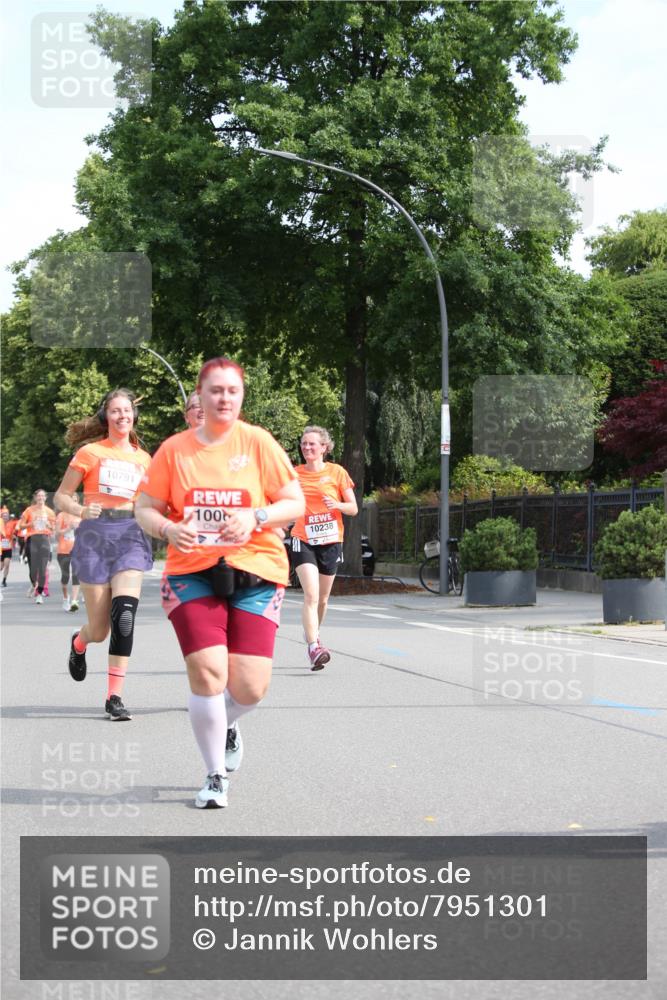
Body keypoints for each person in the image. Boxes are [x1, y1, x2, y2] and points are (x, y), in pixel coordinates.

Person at [135, 357, 304, 809]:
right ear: (201, 395)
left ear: (241, 396)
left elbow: (294, 501)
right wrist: (168, 530)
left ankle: (224, 721)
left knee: (250, 688)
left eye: (232, 390)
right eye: (215, 390)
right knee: (209, 674)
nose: (224, 398)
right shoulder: (174, 450)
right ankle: (214, 776)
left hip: (258, 570)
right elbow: (145, 507)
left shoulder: (259, 444)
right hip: (191, 572)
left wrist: (256, 515)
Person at [53, 389, 152, 721]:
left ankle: (114, 697)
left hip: (130, 537)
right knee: (100, 630)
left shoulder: (143, 459)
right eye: (115, 411)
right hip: (95, 537)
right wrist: (81, 510)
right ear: (105, 417)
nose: (122, 415)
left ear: (133, 417)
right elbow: (61, 497)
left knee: (124, 617)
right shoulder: (89, 452)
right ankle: (79, 643)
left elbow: (151, 502)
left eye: (127, 410)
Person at [290, 426, 358, 670]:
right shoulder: (294, 474)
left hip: (331, 540)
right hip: (303, 538)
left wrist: (338, 504)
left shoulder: (337, 472)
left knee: (323, 599)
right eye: (304, 444)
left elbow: (354, 508)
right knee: (311, 594)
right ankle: (313, 647)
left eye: (312, 444)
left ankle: (314, 635)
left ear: (324, 448)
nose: (307, 448)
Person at [18, 490, 56, 604]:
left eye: (42, 495)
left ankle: (39, 594)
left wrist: (50, 526)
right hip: (32, 539)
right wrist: (30, 524)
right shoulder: (29, 510)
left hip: (44, 539)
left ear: (45, 497)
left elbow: (54, 528)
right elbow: (20, 526)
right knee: (33, 570)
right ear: (35, 498)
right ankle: (34, 584)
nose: (40, 497)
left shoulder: (50, 512)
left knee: (43, 569)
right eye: (38, 496)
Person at [55, 494, 82, 612]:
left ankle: (74, 601)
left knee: (76, 575)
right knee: (65, 576)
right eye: (72, 500)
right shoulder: (61, 515)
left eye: (75, 500)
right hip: (63, 549)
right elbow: (57, 533)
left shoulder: (81, 515)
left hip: (78, 549)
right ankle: (66, 598)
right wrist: (69, 528)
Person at [1, 511, 17, 587]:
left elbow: (13, 534)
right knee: (1, 567)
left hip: (8, 547)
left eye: (6, 516)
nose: (5, 517)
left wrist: (14, 537)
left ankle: (4, 580)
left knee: (7, 564)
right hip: (0, 548)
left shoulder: (11, 524)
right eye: (4, 516)